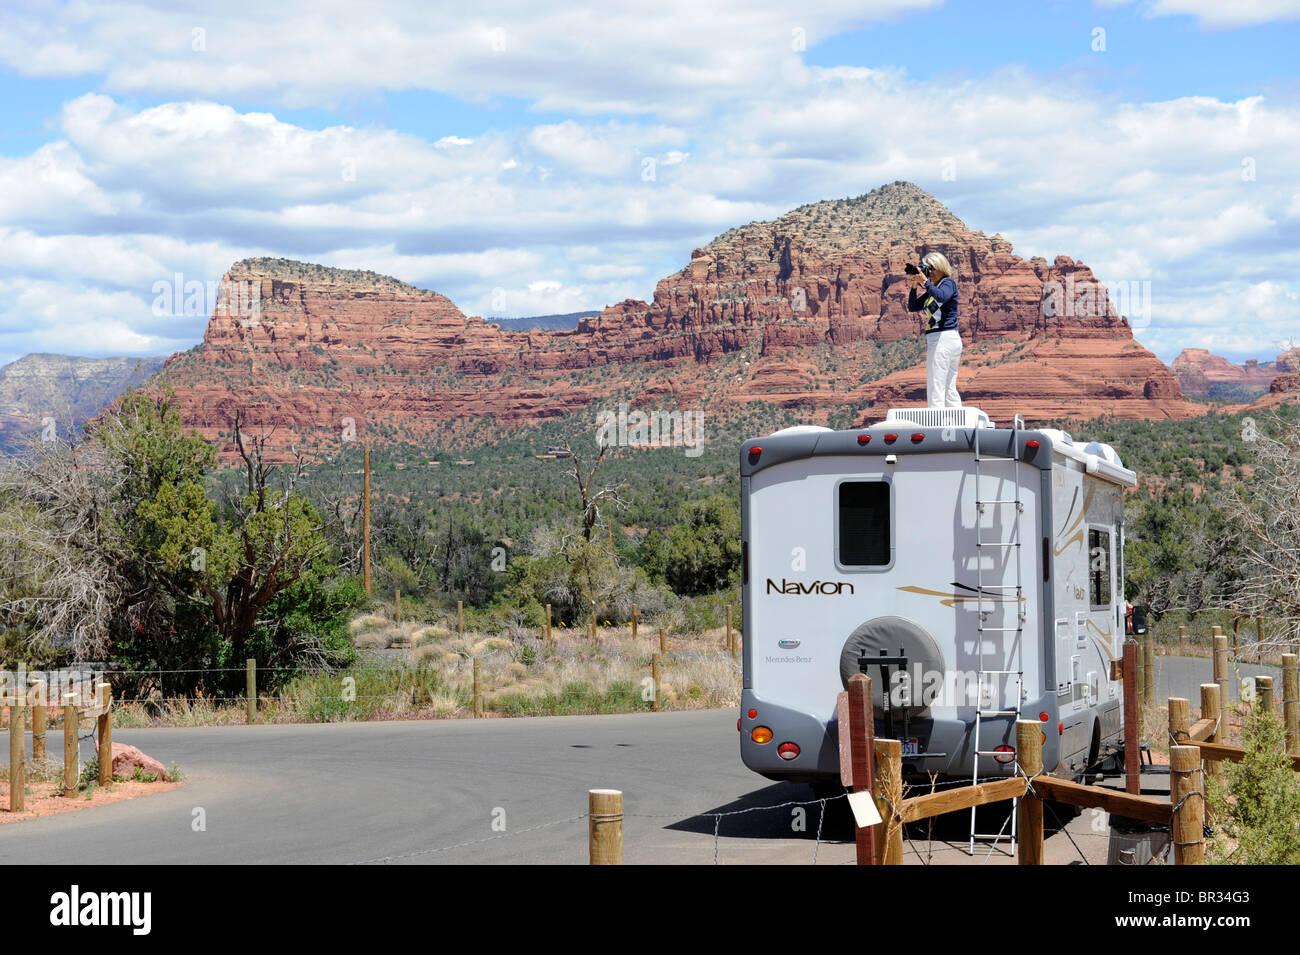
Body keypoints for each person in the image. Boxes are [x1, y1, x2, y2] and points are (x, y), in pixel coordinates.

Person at [907, 251, 962, 408]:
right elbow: (913, 307)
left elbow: (942, 297)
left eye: (931, 268)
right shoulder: (933, 288)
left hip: (944, 338)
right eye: (926, 269)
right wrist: (914, 285)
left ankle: (936, 427)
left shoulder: (947, 283)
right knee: (947, 387)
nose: (929, 272)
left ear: (940, 267)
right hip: (941, 340)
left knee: (936, 384)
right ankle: (955, 426)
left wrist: (925, 282)